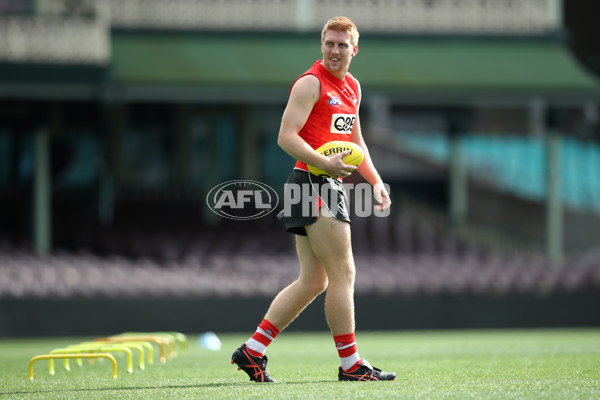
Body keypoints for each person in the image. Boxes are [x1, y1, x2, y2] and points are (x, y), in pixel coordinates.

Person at [231, 16, 395, 382]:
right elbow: (285, 137)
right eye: (329, 43)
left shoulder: (352, 87)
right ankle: (351, 365)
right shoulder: (310, 83)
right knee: (343, 274)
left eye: (342, 45)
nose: (335, 51)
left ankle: (252, 351)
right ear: (321, 46)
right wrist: (324, 163)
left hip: (316, 181)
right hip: (312, 180)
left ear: (355, 50)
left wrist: (376, 181)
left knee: (314, 280)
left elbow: (355, 142)